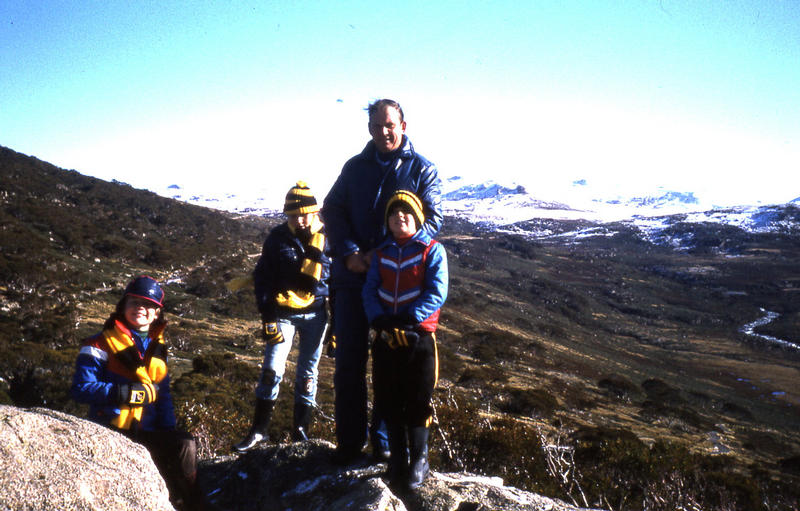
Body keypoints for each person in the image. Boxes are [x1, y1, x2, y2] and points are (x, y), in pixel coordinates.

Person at [322, 98, 443, 463]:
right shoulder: (354, 167)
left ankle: (387, 443)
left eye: (389, 125)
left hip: (397, 284)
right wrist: (350, 253)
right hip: (351, 279)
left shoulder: (423, 169)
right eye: (376, 126)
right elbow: (333, 208)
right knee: (349, 363)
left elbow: (433, 219)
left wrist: (388, 253)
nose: (383, 132)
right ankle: (349, 443)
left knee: (395, 368)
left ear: (403, 125)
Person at [71, 275, 202, 511]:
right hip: (111, 429)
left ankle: (193, 504)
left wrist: (169, 428)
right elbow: (81, 388)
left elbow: (162, 396)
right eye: (134, 302)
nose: (141, 308)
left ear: (157, 314)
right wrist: (125, 393)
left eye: (149, 305)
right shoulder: (98, 344)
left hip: (148, 431)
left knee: (185, 444)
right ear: (123, 306)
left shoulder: (158, 348)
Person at [233, 181, 331, 452]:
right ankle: (259, 431)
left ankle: (301, 431)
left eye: (304, 214)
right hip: (283, 314)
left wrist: (336, 330)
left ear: (314, 212)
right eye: (292, 215)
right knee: (272, 369)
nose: (299, 220)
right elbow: (263, 279)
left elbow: (337, 284)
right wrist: (268, 317)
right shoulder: (277, 238)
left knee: (308, 373)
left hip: (316, 314)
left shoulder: (328, 238)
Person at [362, 190, 448, 491]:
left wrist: (409, 319)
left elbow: (437, 292)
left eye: (406, 212)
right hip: (386, 336)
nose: (399, 216)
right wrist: (380, 319)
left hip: (419, 337)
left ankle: (419, 461)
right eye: (393, 212)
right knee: (387, 398)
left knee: (418, 399)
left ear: (418, 218)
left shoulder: (432, 250)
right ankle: (397, 459)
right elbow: (369, 290)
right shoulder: (382, 253)